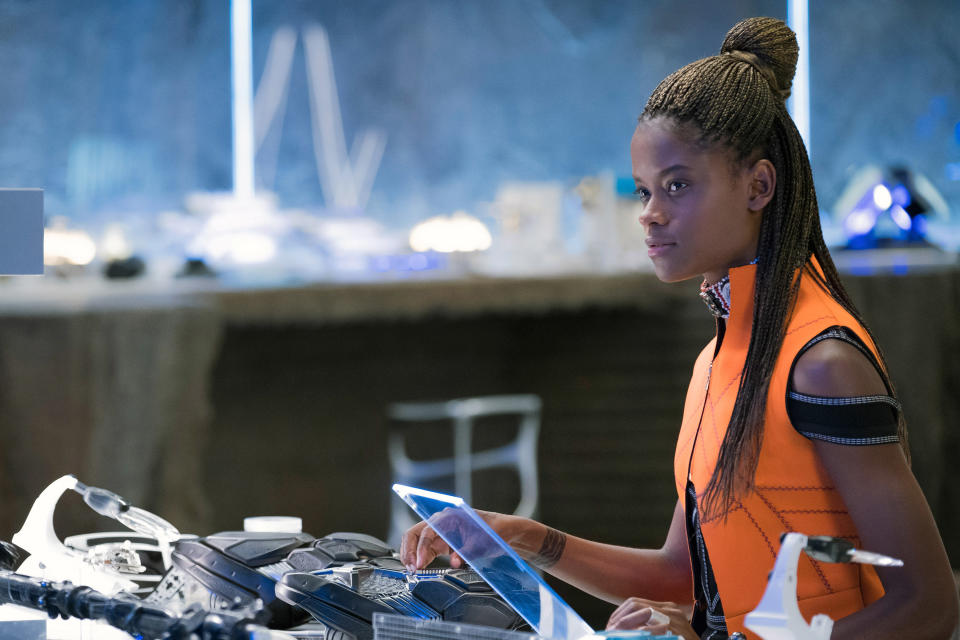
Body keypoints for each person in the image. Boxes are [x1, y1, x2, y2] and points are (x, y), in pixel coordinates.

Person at [401, 17, 958, 640]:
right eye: (644, 190)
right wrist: (525, 539)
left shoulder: (823, 362)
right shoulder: (718, 363)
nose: (650, 214)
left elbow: (928, 607)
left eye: (678, 186)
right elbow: (684, 577)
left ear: (759, 185)